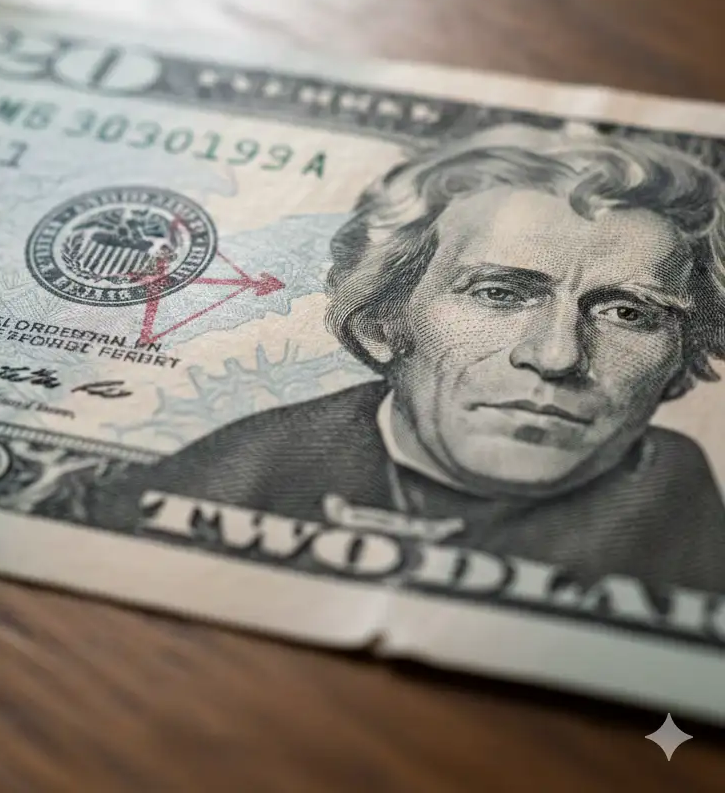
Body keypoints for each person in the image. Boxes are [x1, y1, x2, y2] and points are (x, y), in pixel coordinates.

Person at [88, 135, 725, 592]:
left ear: (679, 359)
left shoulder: (680, 494)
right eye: (498, 293)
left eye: (628, 313)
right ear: (384, 325)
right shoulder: (227, 480)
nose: (556, 356)